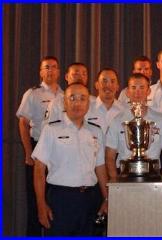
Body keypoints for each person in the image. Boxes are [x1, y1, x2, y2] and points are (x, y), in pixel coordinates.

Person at [32, 83, 108, 236]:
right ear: (64, 102)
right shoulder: (51, 130)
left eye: (82, 98)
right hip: (61, 200)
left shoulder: (96, 131)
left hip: (89, 199)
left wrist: (107, 199)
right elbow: (39, 169)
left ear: (88, 103)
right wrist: (40, 205)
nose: (77, 103)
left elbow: (100, 167)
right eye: (72, 98)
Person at [16, 56, 63, 236]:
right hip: (37, 150)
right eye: (46, 67)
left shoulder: (64, 95)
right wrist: (28, 152)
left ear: (59, 72)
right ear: (41, 72)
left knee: (55, 198)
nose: (50, 70)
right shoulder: (33, 94)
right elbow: (23, 123)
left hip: (58, 152)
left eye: (54, 67)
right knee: (36, 201)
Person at [106, 73, 162, 181]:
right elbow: (110, 155)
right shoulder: (117, 121)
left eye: (142, 87)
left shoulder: (161, 120)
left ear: (148, 91)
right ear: (127, 92)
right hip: (124, 176)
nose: (137, 92)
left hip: (153, 176)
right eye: (133, 88)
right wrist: (115, 181)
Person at [43, 62, 94, 127]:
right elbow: (49, 129)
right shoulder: (57, 103)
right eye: (76, 74)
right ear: (67, 77)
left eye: (84, 74)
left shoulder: (94, 102)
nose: (80, 77)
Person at [86, 68, 123, 134]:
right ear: (96, 85)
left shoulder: (125, 110)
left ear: (117, 87)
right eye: (104, 81)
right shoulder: (86, 109)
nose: (108, 85)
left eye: (112, 81)